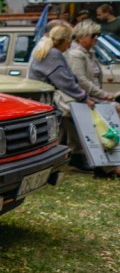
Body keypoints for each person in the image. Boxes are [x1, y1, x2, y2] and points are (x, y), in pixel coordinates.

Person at [30, 22, 119, 176]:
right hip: (48, 101)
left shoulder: (49, 50)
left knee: (53, 135)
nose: (70, 45)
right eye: (70, 40)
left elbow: (69, 79)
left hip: (44, 100)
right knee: (61, 134)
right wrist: (85, 98)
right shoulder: (53, 54)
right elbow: (67, 82)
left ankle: (54, 166)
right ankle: (104, 166)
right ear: (65, 40)